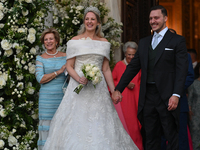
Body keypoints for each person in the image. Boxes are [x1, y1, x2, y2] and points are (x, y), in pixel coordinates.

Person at [43, 6, 139, 150]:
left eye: (92, 19)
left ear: (98, 22)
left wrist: (114, 90)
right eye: (87, 19)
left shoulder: (104, 43)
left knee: (100, 124)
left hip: (97, 89)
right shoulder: (74, 41)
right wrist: (78, 78)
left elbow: (105, 69)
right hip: (77, 89)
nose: (89, 21)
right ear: (84, 22)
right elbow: (69, 66)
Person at [112, 5, 188, 149]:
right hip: (148, 97)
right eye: (151, 18)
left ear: (165, 18)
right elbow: (133, 67)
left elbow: (181, 70)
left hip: (167, 96)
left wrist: (176, 94)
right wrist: (118, 89)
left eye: (156, 18)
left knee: (171, 137)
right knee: (150, 137)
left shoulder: (177, 41)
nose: (153, 21)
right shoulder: (144, 42)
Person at [35, 28, 67, 150]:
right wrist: (58, 72)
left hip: (62, 98)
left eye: (51, 39)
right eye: (46, 39)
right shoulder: (40, 58)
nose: (48, 41)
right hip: (46, 101)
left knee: (62, 129)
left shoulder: (66, 56)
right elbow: (40, 78)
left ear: (56, 41)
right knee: (47, 132)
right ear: (43, 42)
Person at [112, 41, 143, 150]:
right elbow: (112, 82)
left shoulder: (138, 67)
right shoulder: (119, 65)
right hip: (122, 103)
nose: (131, 57)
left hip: (135, 100)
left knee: (135, 127)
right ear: (125, 53)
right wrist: (125, 84)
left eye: (133, 54)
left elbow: (140, 82)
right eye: (129, 54)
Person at [161, 53, 194, 150]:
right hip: (160, 102)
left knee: (181, 137)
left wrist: (175, 91)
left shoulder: (185, 55)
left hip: (180, 102)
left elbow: (190, 76)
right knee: (161, 136)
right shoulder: (159, 52)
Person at [188, 62, 200, 150]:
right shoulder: (194, 83)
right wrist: (189, 111)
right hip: (196, 115)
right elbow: (190, 99)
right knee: (195, 137)